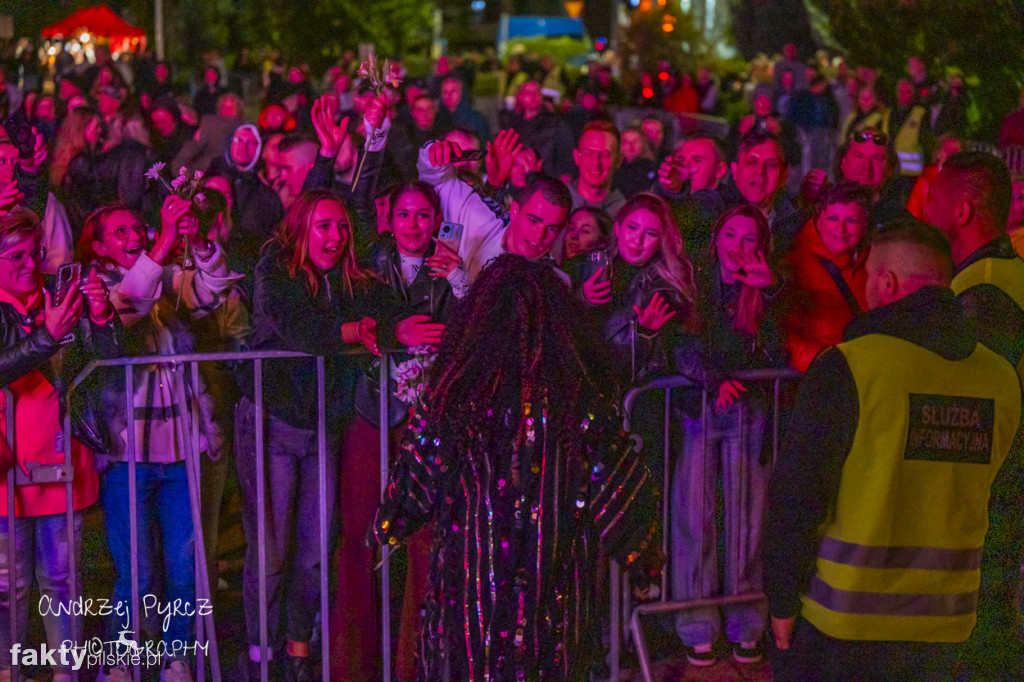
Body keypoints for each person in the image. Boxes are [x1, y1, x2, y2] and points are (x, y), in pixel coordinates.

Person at [370, 254, 658, 681]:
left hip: (473, 588)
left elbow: (414, 485)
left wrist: (389, 522)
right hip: (550, 588)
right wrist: (644, 554)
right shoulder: (576, 398)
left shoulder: (454, 396)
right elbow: (620, 492)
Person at [764, 219, 1022, 681]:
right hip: (949, 624)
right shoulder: (1001, 378)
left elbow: (797, 497)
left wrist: (782, 599)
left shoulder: (851, 367)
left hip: (843, 623)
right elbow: (1004, 505)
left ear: (886, 282)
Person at [236, 191, 439, 682]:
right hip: (272, 421)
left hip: (324, 424)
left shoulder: (352, 282)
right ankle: (262, 659)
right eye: (324, 226)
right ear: (301, 230)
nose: (335, 236)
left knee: (312, 550)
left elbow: (386, 313)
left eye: (342, 227)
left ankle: (299, 655)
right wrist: (355, 332)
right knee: (272, 553)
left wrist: (398, 329)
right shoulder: (276, 274)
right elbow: (302, 329)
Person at [82, 195, 239, 682]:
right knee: (137, 570)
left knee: (183, 568)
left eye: (137, 228)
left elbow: (212, 291)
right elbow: (129, 303)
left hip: (181, 450)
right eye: (121, 232)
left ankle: (176, 658)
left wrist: (198, 239)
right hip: (128, 450)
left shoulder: (167, 278)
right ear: (99, 246)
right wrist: (166, 241)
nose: (134, 237)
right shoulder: (97, 286)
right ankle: (122, 658)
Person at [0, 207, 118, 682]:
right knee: (10, 586)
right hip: (6, 465)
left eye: (35, 253)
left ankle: (65, 674)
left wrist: (101, 314)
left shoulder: (58, 293)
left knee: (63, 580)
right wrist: (47, 336)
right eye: (15, 256)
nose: (29, 264)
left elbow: (108, 356)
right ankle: (9, 670)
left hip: (60, 462)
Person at [670, 205, 785, 667]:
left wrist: (769, 296)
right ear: (716, 239)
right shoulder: (696, 282)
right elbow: (680, 344)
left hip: (749, 410)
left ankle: (747, 623)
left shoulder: (769, 288)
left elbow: (780, 351)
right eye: (731, 237)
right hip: (699, 407)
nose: (739, 248)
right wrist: (713, 376)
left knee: (749, 519)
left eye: (749, 240)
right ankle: (697, 624)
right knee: (695, 516)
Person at [923, 151, 1024, 677]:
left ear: (962, 211)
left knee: (980, 621)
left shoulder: (982, 291)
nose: (927, 203)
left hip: (994, 486)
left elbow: (977, 408)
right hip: (1004, 480)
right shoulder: (1001, 273)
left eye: (936, 197)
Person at [419, 135, 573, 281]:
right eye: (533, 220)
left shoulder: (552, 282)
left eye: (552, 228)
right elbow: (435, 180)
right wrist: (434, 153)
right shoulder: (476, 216)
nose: (540, 235)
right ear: (514, 211)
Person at [781, 183, 871, 372]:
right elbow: (784, 333)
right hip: (821, 378)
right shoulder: (796, 262)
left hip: (863, 372)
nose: (841, 228)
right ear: (819, 218)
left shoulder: (874, 259)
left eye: (851, 220)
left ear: (865, 223)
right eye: (833, 218)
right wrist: (823, 365)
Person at [722, 131, 805, 256]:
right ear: (735, 170)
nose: (760, 171)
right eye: (751, 162)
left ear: (784, 174)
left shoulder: (797, 227)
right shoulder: (714, 212)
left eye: (771, 165)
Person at [656, 132, 729, 254]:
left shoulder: (719, 206)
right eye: (681, 159)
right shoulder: (671, 194)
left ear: (720, 170)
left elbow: (683, 222)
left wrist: (673, 192)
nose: (685, 166)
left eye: (697, 160)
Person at [499, 80, 575, 179]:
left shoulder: (555, 123)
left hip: (546, 181)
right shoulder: (511, 123)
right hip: (517, 184)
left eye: (536, 92)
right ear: (520, 96)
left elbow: (566, 157)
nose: (533, 96)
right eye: (528, 93)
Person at [569, 121, 626, 218]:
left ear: (618, 161)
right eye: (588, 153)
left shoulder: (625, 215)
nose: (596, 162)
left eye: (605, 155)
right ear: (576, 157)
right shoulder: (557, 205)